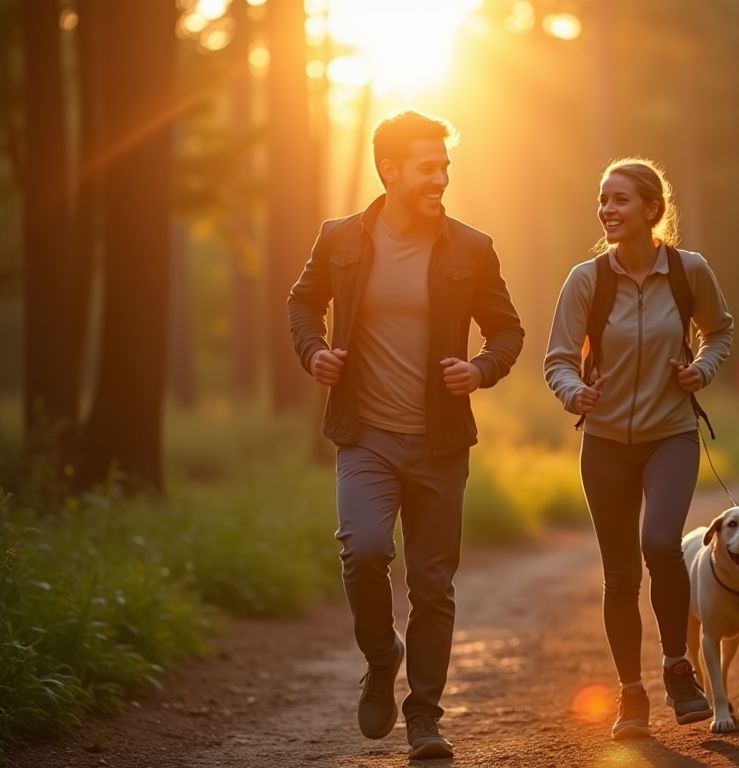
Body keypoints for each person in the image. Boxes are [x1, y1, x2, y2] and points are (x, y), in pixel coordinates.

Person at [287, 110, 524, 760]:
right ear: (389, 170)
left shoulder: (471, 247)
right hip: (364, 434)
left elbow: (508, 330)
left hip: (440, 443)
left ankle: (424, 717)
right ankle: (380, 654)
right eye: (427, 167)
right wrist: (314, 352)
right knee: (363, 551)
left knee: (432, 586)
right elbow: (302, 302)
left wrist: (480, 369)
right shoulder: (340, 238)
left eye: (445, 167)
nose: (440, 179)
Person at [543, 158, 734, 740]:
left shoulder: (688, 270)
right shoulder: (587, 280)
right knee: (620, 574)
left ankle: (678, 668)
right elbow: (558, 360)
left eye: (620, 199)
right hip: (604, 444)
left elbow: (719, 331)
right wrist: (575, 393)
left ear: (652, 209)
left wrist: (703, 369)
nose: (607, 209)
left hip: (671, 434)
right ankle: (631, 694)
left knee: (660, 544)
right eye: (603, 199)